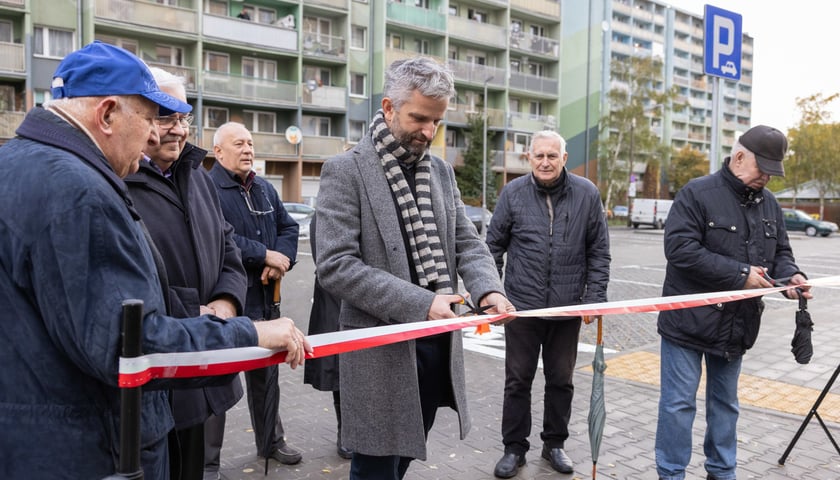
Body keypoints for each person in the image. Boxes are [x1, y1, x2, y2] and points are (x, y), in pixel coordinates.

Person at [0, 41, 310, 480]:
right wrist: (253, 332)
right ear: (107, 114)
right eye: (148, 118)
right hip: (88, 448)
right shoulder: (78, 190)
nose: (152, 136)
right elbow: (130, 344)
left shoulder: (20, 164)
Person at [315, 56, 515, 480]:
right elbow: (335, 265)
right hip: (379, 351)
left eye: (437, 122)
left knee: (404, 457)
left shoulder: (440, 172)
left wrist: (487, 290)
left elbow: (467, 242)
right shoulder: (345, 170)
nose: (429, 132)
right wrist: (422, 303)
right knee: (373, 468)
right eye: (420, 118)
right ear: (388, 107)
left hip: (434, 346)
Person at [654, 125, 812, 480]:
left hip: (736, 325)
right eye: (763, 169)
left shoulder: (769, 203)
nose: (768, 178)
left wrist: (791, 278)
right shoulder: (696, 193)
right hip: (687, 323)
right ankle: (671, 474)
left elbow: (781, 253)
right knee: (678, 406)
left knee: (725, 406)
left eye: (774, 172)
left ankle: (723, 473)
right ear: (739, 157)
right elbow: (679, 249)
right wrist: (740, 274)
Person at [125, 67, 247, 480]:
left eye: (184, 118)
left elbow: (228, 247)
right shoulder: (118, 179)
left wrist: (226, 304)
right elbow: (130, 283)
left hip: (204, 368)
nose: (178, 129)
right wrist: (195, 313)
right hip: (156, 380)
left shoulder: (198, 175)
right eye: (166, 117)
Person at [486, 130, 611, 478]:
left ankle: (554, 444)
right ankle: (514, 449)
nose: (545, 162)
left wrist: (594, 298)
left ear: (563, 158)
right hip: (521, 308)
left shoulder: (587, 194)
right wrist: (492, 294)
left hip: (566, 309)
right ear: (529, 158)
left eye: (551, 156)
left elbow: (599, 251)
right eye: (539, 156)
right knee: (517, 380)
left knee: (561, 380)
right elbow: (492, 247)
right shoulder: (513, 194)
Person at [208, 122, 303, 471]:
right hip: (229, 299)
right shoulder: (207, 187)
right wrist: (263, 255)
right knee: (217, 381)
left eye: (250, 143)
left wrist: (281, 260)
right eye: (239, 144)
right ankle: (208, 462)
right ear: (218, 151)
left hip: (266, 299)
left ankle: (271, 443)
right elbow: (220, 237)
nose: (248, 149)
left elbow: (289, 227)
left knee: (267, 377)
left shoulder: (263, 188)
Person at [303, 212, 352, 460]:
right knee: (338, 368)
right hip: (333, 297)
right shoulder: (322, 215)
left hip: (365, 297)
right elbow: (323, 258)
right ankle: (345, 431)